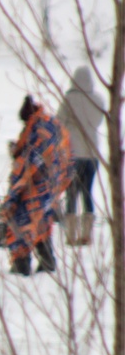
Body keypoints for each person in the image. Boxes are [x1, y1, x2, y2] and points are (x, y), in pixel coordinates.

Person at [2, 95, 72, 276]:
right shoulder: (51, 124)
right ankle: (47, 259)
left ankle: (21, 262)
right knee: (41, 220)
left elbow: (31, 160)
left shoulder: (39, 129)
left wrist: (14, 192)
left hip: (38, 184)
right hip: (53, 183)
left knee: (22, 219)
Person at [56, 66, 105, 246]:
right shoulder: (98, 99)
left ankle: (71, 234)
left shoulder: (69, 99)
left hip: (73, 154)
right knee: (87, 192)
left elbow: (59, 121)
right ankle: (87, 234)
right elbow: (100, 121)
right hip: (92, 153)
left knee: (72, 193)